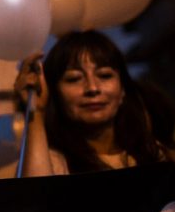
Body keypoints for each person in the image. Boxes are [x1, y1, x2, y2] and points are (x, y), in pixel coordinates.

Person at [14, 30, 166, 175]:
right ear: (54, 93)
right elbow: (34, 198)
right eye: (74, 78)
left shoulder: (152, 153)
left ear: (123, 89)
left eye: (105, 75)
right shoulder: (51, 163)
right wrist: (36, 110)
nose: (92, 88)